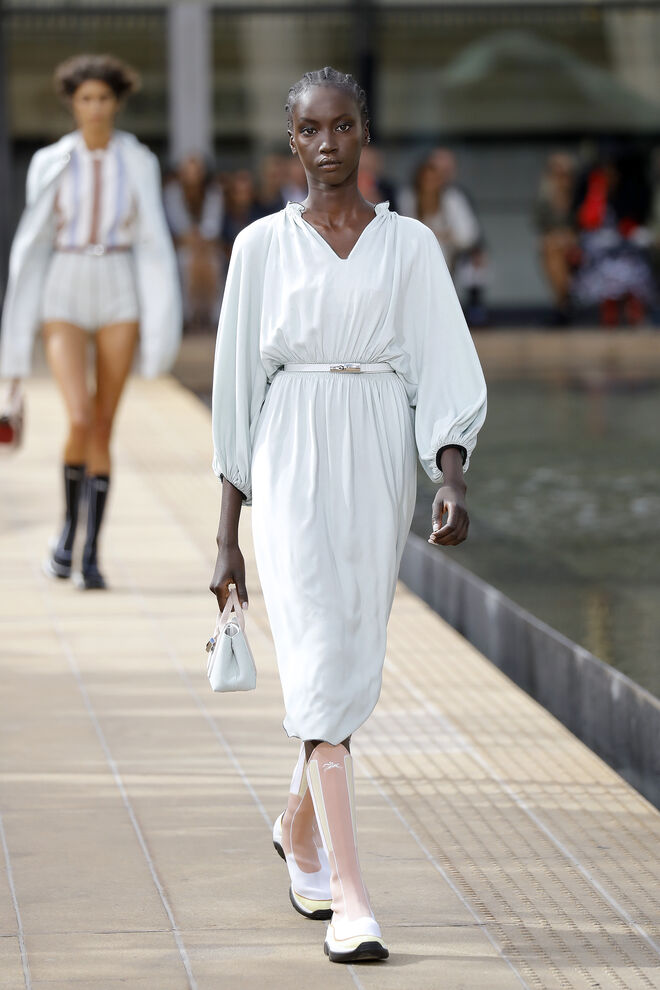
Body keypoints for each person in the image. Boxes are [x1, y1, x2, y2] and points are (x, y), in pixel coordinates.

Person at [209, 66, 486, 964]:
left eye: (341, 126)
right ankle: (353, 900)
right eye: (309, 129)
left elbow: (442, 364)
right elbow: (236, 394)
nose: (326, 144)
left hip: (376, 455)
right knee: (320, 655)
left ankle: (298, 824)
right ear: (290, 140)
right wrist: (226, 537)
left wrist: (450, 475)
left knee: (351, 658)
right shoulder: (259, 247)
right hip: (289, 451)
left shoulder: (410, 247)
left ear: (364, 132)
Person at [0, 54, 181, 589]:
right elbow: (34, 239)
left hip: (118, 280)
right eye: (85, 99)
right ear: (72, 104)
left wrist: (160, 316)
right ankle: (66, 531)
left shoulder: (138, 160)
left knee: (104, 422)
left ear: (116, 103)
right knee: (79, 416)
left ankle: (90, 552)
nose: (95, 108)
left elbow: (152, 237)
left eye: (103, 98)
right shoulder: (51, 160)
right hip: (65, 280)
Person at [400, 148, 488, 326]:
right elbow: (405, 233)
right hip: (415, 256)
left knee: (473, 262)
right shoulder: (408, 198)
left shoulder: (453, 199)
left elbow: (469, 235)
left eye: (435, 180)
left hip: (453, 256)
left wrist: (445, 236)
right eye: (427, 180)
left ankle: (469, 308)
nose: (430, 185)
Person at [164, 153, 224, 331]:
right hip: (182, 245)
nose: (192, 176)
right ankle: (189, 317)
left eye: (196, 171)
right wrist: (194, 239)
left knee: (213, 262)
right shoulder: (172, 192)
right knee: (185, 261)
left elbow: (212, 226)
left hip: (207, 247)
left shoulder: (213, 192)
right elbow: (178, 225)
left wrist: (201, 241)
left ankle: (212, 317)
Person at [533, 153, 579, 325]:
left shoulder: (577, 193)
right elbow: (540, 222)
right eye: (556, 173)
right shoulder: (546, 195)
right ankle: (563, 302)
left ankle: (563, 303)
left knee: (554, 248)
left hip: (581, 239)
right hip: (555, 241)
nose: (560, 178)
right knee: (550, 247)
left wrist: (569, 235)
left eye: (564, 173)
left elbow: (583, 222)